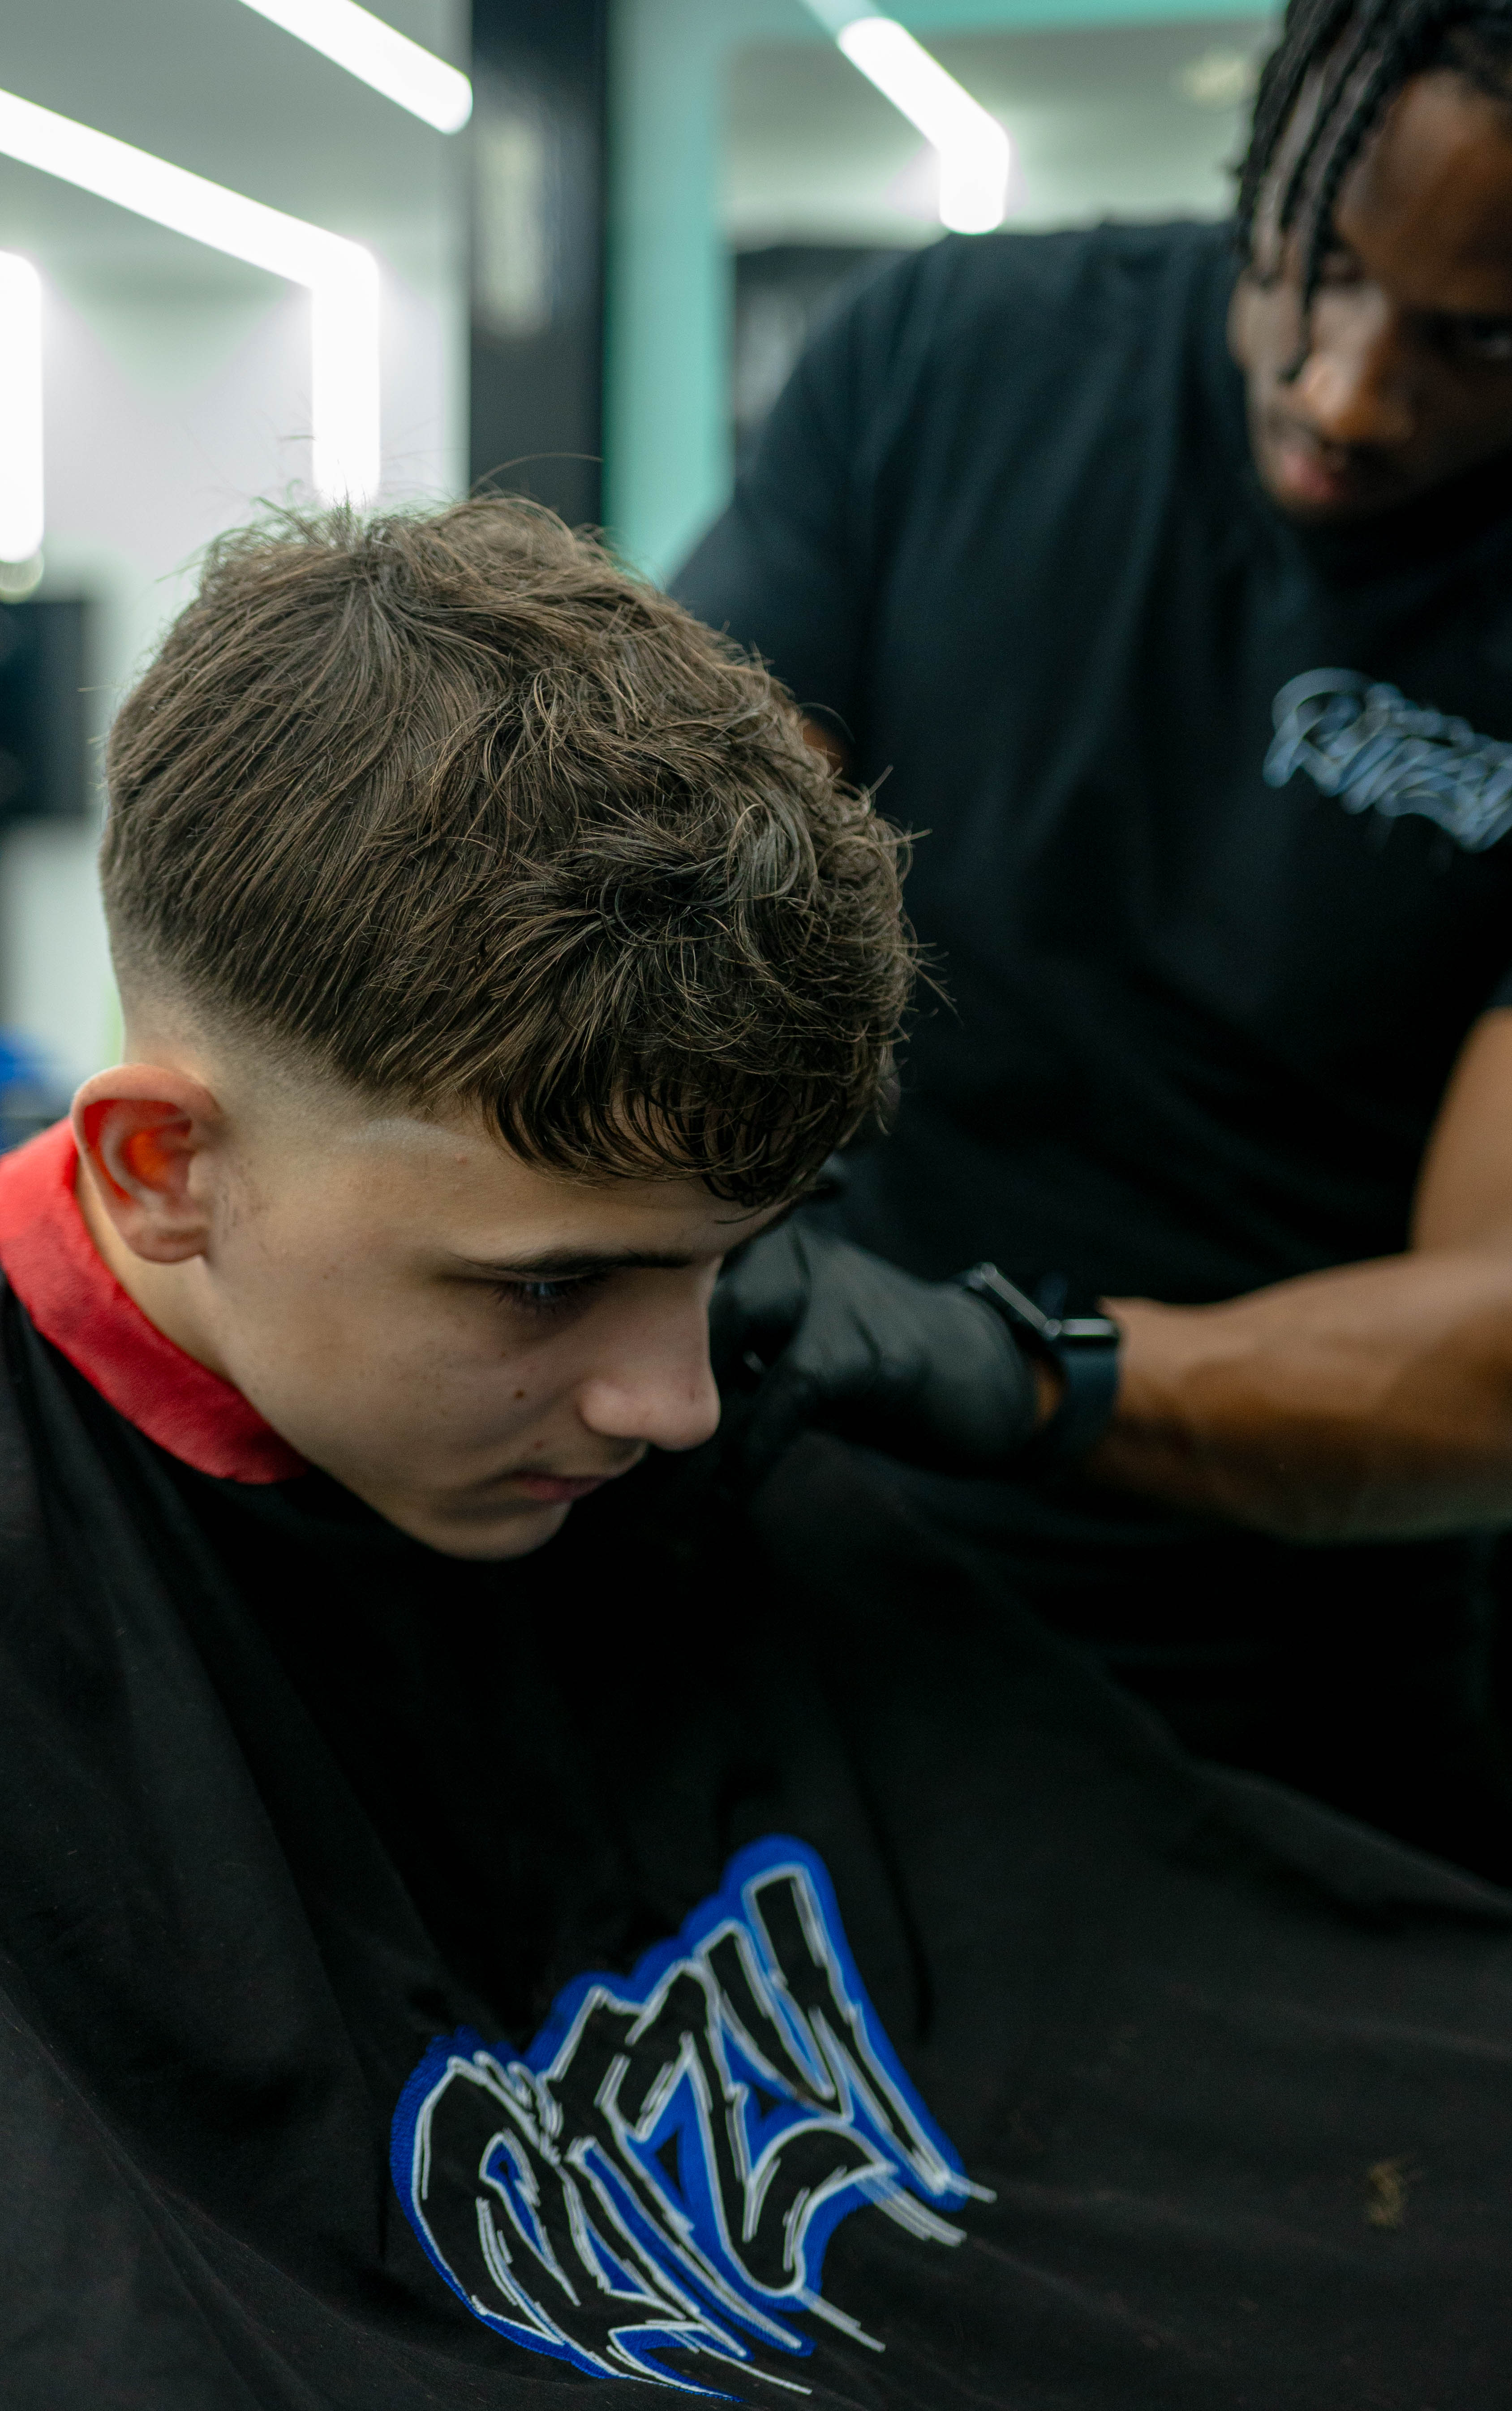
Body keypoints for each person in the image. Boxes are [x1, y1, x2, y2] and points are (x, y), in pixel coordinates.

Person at [9, 494, 1512, 2407]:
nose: (683, 1402)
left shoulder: (698, 1441)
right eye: (550, 1287)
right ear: (164, 1169)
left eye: (722, 1264)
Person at [674, 0, 1512, 1868]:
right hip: (797, 1568)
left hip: (1295, 1687)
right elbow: (670, 861)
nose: (1350, 394)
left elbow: (1496, 1339)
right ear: (1270, 146)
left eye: (1482, 338)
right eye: (1320, 261)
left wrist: (998, 1363)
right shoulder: (949, 359)